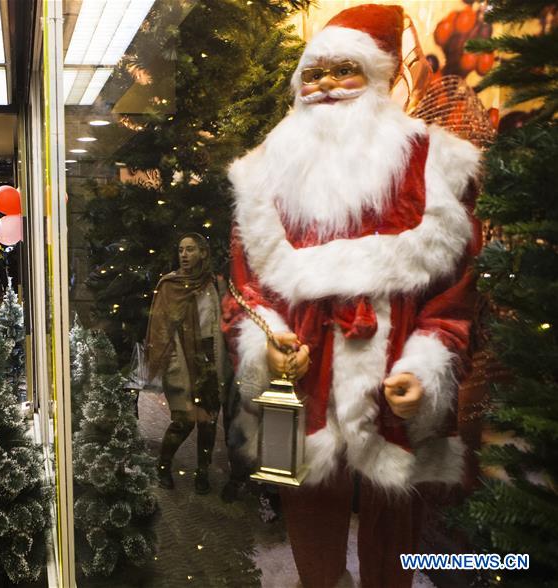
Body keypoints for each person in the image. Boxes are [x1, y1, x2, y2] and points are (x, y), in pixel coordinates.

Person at [222, 5, 480, 587]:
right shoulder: (264, 173)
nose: (325, 87)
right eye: (313, 74)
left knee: (397, 524)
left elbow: (454, 295)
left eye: (345, 70)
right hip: (305, 380)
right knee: (311, 513)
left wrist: (425, 366)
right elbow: (245, 284)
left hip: (395, 378)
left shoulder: (435, 165)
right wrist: (270, 344)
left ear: (378, 76)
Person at [146, 233, 227, 494]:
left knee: (209, 420)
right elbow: (159, 330)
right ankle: (163, 467)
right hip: (181, 359)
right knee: (183, 420)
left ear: (203, 253)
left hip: (210, 359)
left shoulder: (214, 283)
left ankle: (202, 473)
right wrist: (168, 365)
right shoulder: (170, 285)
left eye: (190, 249)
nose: (184, 255)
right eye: (181, 249)